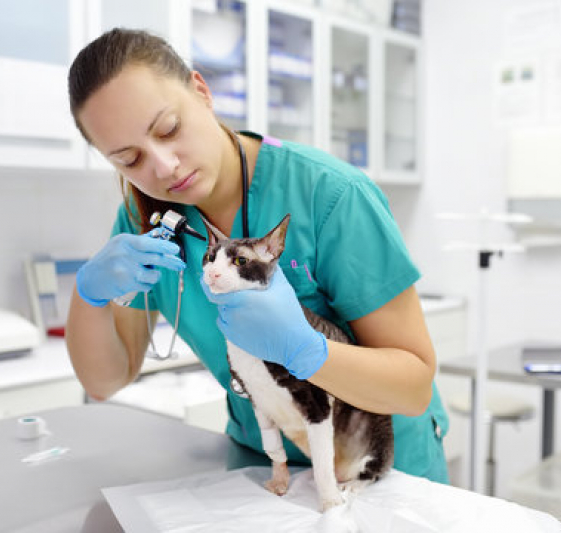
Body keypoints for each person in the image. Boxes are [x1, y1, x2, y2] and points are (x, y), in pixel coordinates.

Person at [65, 28, 449, 483]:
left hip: (380, 470)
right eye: (129, 159)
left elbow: (413, 388)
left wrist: (308, 351)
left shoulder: (330, 197)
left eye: (169, 129)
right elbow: (105, 381)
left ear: (201, 91)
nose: (163, 166)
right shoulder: (144, 218)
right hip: (266, 470)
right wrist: (88, 293)